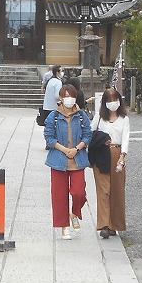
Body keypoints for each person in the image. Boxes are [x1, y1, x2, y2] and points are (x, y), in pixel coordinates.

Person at [44, 79, 91, 240]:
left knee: (79, 192)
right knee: (59, 195)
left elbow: (88, 135)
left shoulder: (82, 115)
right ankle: (64, 226)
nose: (69, 99)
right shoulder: (53, 116)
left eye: (71, 96)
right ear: (61, 98)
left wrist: (77, 149)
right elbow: (49, 138)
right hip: (59, 159)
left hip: (78, 159)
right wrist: (65, 150)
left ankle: (75, 213)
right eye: (65, 96)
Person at [92, 87, 130, 238]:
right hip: (102, 154)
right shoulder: (99, 117)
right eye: (109, 100)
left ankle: (115, 224)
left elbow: (126, 137)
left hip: (117, 153)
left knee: (117, 190)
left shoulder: (124, 119)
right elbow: (90, 133)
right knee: (103, 190)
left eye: (114, 100)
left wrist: (123, 155)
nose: (112, 103)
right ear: (104, 103)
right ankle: (104, 224)